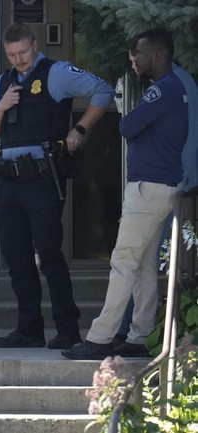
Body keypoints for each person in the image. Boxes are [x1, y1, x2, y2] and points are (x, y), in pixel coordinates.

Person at [0, 22, 114, 349]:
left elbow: (104, 91)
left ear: (35, 45)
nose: (19, 59)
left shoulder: (56, 73)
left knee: (49, 252)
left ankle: (67, 329)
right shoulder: (2, 82)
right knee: (16, 256)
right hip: (8, 179)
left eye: (23, 52)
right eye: (12, 54)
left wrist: (80, 128)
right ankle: (29, 329)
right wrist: (2, 105)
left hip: (41, 177)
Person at [63, 28, 190, 360]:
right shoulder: (176, 87)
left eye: (141, 53)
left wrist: (131, 116)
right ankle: (140, 335)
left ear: (159, 55)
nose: (136, 59)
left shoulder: (161, 89)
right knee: (145, 265)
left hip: (148, 188)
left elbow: (126, 126)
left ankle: (100, 337)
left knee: (123, 262)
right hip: (164, 185)